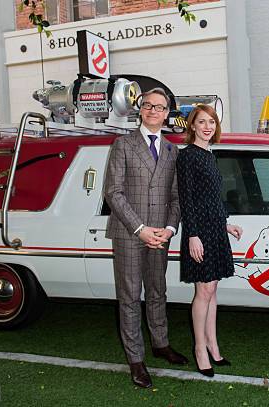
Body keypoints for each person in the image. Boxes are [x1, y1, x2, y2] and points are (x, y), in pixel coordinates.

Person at [104, 88, 188, 389]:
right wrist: (141, 229)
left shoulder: (171, 150)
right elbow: (113, 192)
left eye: (160, 107)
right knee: (129, 298)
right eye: (148, 106)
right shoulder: (123, 144)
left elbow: (177, 197)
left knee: (157, 290)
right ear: (141, 110)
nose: (154, 111)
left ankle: (160, 344)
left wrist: (169, 229)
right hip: (130, 233)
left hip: (160, 235)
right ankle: (136, 360)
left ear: (167, 113)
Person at [176, 104, 242, 378]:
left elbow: (212, 198)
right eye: (202, 122)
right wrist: (192, 235)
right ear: (192, 126)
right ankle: (200, 349)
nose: (207, 127)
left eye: (211, 122)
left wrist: (225, 224)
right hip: (199, 232)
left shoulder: (208, 155)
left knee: (212, 290)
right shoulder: (188, 156)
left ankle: (214, 346)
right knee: (203, 292)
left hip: (215, 229)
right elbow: (187, 199)